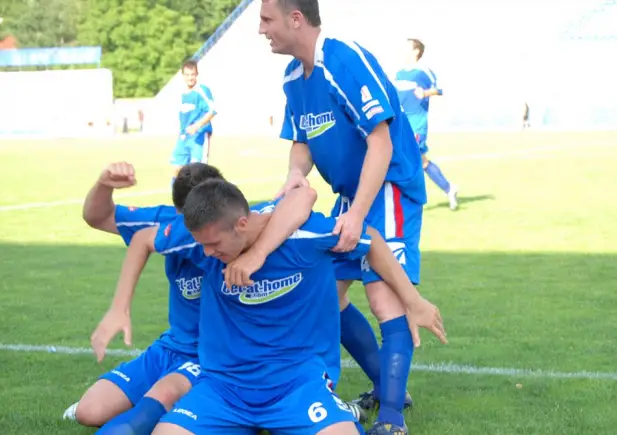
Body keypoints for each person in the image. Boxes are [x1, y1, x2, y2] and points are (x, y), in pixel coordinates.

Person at [151, 179, 445, 435]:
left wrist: (413, 300)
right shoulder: (199, 244)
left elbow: (370, 239)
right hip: (222, 388)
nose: (206, 253)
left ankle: (339, 411)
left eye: (214, 244)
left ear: (242, 224)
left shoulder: (304, 235)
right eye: (202, 244)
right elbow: (137, 236)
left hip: (297, 386)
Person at [258, 1, 431, 432]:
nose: (262, 30)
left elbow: (382, 142)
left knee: (381, 294)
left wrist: (356, 215)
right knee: (325, 298)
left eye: (266, 20)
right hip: (352, 193)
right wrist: (295, 175)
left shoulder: (343, 58)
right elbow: (301, 140)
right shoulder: (293, 78)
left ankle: (391, 418)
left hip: (387, 184)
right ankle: (389, 387)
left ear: (295, 19)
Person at [63, 162, 319, 434]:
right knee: (89, 411)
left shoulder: (239, 223)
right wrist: (104, 183)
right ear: (180, 214)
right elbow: (99, 217)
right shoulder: (170, 228)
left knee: (153, 406)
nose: (205, 245)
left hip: (214, 356)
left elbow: (302, 198)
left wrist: (259, 253)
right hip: (172, 346)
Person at [394, 38, 458, 210]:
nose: (403, 50)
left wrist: (426, 92)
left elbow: (440, 89)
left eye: (406, 47)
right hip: (400, 122)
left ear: (416, 51)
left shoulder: (424, 71)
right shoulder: (399, 73)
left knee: (406, 159)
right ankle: (449, 188)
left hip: (416, 122)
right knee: (421, 162)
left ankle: (408, 201)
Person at [170, 59, 218, 184]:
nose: (190, 78)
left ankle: (201, 200)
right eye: (187, 75)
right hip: (183, 137)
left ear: (197, 74)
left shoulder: (202, 91)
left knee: (197, 172)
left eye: (192, 74)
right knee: (177, 169)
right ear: (183, 75)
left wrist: (197, 126)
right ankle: (180, 200)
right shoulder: (181, 93)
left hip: (199, 136)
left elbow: (212, 110)